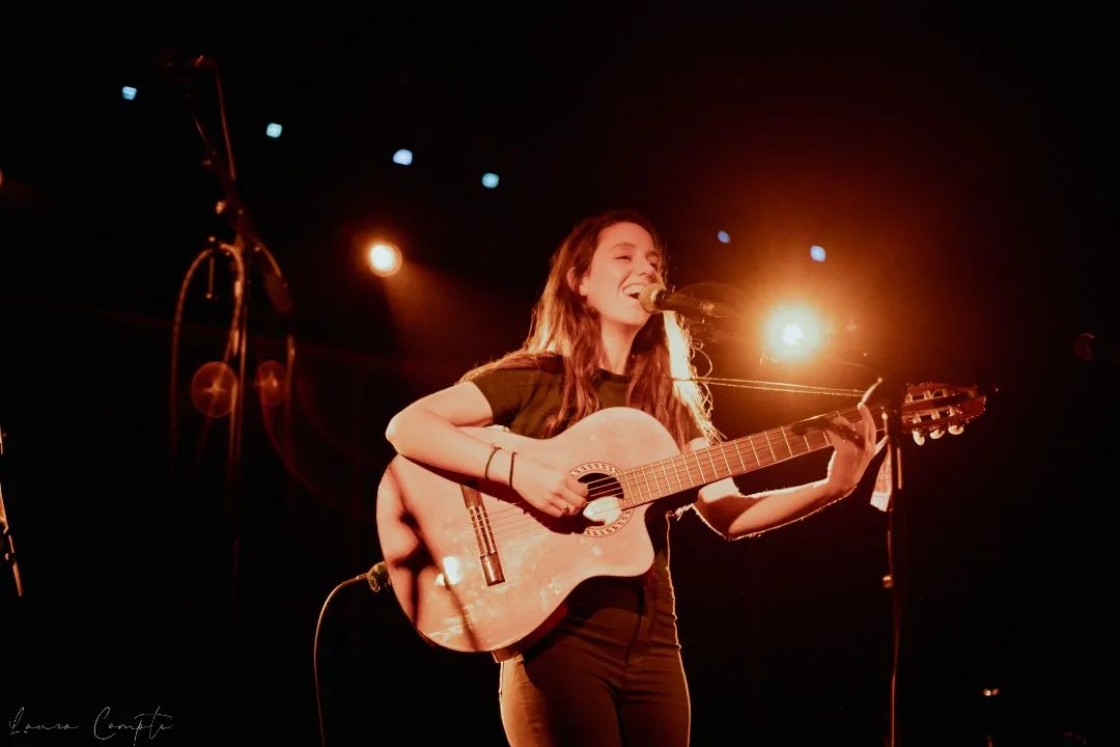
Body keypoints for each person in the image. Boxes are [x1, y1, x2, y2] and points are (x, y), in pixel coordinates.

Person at [383, 207, 880, 746]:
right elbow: (407, 426)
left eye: (654, 262)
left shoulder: (669, 403)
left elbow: (728, 514)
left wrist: (833, 487)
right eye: (623, 257)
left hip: (656, 644)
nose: (645, 270)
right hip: (556, 640)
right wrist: (517, 470)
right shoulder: (532, 378)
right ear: (580, 283)